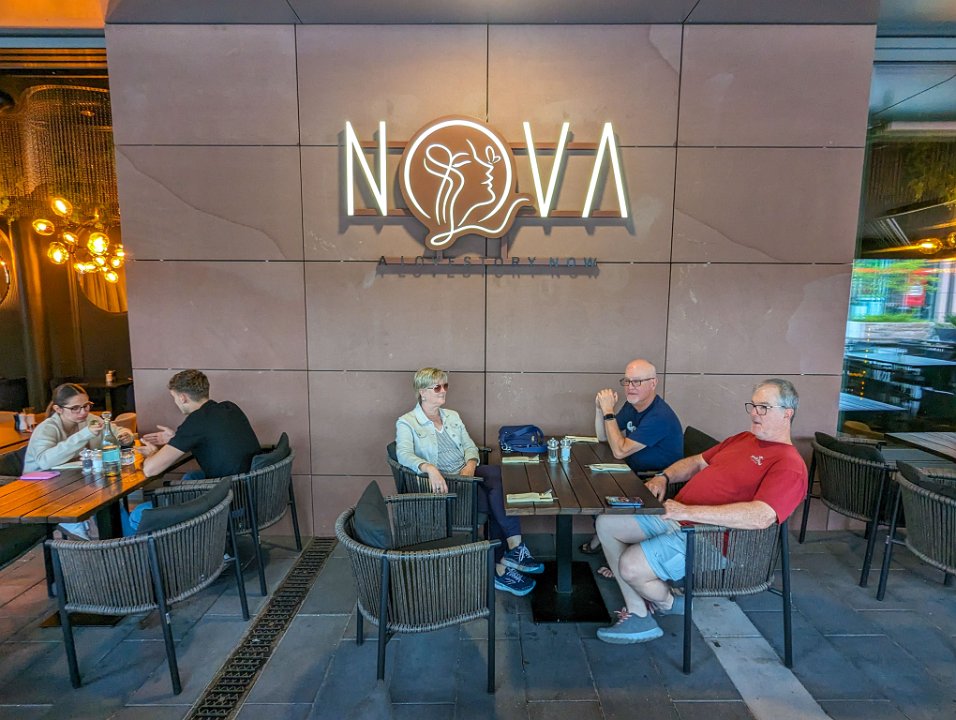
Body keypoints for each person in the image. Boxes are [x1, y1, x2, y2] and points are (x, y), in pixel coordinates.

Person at [594, 378, 807, 644]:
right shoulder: (743, 439)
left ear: (787, 413)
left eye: (763, 407)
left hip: (712, 539)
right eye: (753, 405)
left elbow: (761, 516)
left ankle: (667, 602)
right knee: (607, 522)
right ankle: (640, 611)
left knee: (629, 566)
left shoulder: (789, 465)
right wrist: (664, 477)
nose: (754, 413)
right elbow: (696, 462)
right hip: (679, 517)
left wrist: (688, 512)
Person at [395, 367, 544, 596]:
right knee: (497, 501)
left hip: (468, 473)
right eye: (437, 387)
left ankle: (511, 556)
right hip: (448, 482)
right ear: (422, 392)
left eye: (445, 385)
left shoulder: (452, 416)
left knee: (499, 476)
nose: (443, 391)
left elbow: (470, 446)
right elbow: (403, 454)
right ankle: (504, 565)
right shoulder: (407, 422)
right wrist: (430, 468)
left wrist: (471, 464)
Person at [580, 358, 683, 557]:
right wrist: (600, 410)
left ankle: (616, 550)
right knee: (588, 482)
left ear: (653, 383)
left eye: (637, 381)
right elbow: (604, 437)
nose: (630, 387)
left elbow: (619, 451)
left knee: (595, 489)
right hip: (631, 472)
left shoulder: (659, 416)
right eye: (627, 381)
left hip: (653, 481)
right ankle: (604, 538)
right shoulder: (632, 406)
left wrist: (609, 411)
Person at [23, 383, 130, 539]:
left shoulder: (89, 419)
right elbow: (45, 462)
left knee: (110, 496)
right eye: (75, 408)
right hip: (43, 489)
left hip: (75, 481)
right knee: (104, 494)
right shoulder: (47, 428)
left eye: (86, 406)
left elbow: (114, 430)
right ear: (58, 409)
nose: (83, 412)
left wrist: (125, 435)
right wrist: (85, 434)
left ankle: (124, 539)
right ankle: (81, 534)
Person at [140, 369, 260, 480]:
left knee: (184, 481)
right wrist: (176, 439)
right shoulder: (229, 407)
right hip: (255, 481)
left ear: (182, 398)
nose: (175, 402)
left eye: (174, 397)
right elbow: (213, 438)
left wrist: (152, 453)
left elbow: (150, 470)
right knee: (190, 477)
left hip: (230, 489)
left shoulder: (195, 422)